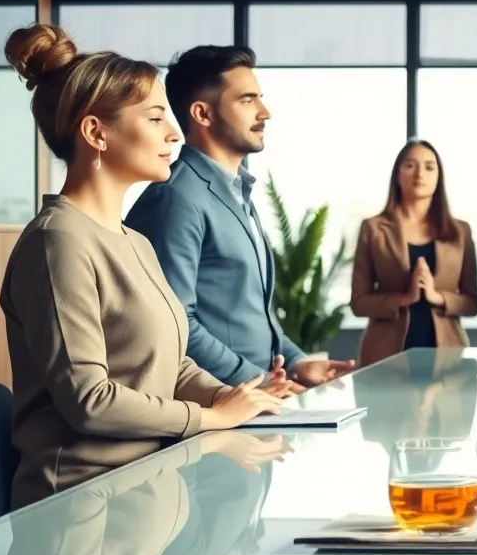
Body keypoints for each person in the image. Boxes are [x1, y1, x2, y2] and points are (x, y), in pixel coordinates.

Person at [0, 25, 287, 508]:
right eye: (155, 119)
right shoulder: (59, 242)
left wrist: (230, 398)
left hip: (146, 493)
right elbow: (90, 401)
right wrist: (210, 418)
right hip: (79, 512)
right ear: (96, 132)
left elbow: (171, 366)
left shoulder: (133, 240)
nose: (174, 132)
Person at [125, 45, 354, 390]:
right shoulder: (175, 197)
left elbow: (252, 310)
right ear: (203, 113)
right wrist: (256, 381)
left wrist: (296, 361)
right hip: (216, 404)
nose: (265, 112)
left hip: (256, 401)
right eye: (247, 100)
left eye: (259, 98)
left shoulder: (237, 191)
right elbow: (174, 324)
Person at [351, 141, 477, 366]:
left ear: (439, 177)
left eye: (430, 167)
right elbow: (358, 303)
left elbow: (472, 303)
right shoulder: (373, 229)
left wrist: (436, 297)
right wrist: (404, 299)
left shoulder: (460, 231)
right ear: (397, 174)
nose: (420, 173)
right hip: (385, 360)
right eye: (410, 165)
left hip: (449, 363)